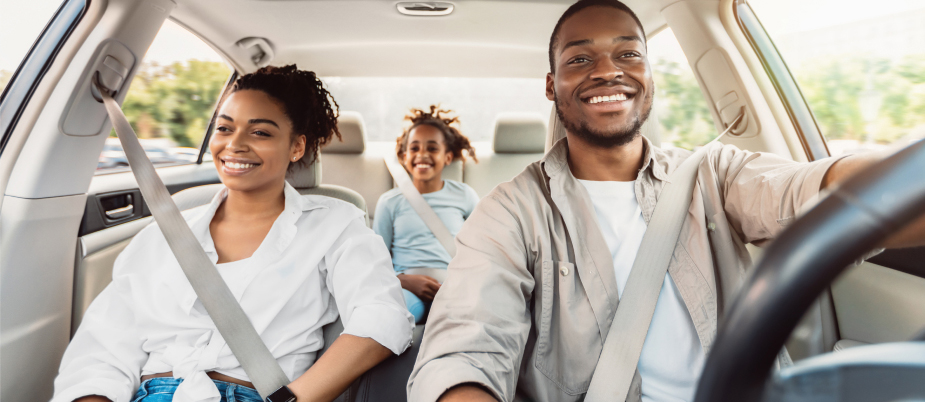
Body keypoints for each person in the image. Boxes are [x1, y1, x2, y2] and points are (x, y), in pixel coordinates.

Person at [406, 1, 925, 402]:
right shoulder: (510, 208)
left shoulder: (714, 173)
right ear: (551, 85)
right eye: (580, 58)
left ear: (650, 76)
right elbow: (466, 345)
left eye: (628, 53)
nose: (608, 70)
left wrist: (900, 180)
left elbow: (813, 190)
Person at [53, 65, 414, 402]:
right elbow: (101, 349)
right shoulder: (164, 231)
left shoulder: (335, 224)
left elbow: (382, 317)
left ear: (296, 146)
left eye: (260, 132)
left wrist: (293, 399)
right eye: (225, 128)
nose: (234, 144)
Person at [373, 106, 480, 323]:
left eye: (432, 148)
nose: (422, 154)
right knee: (395, 317)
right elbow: (375, 263)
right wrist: (403, 281)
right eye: (414, 148)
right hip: (405, 287)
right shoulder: (390, 202)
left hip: (454, 287)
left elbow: (482, 252)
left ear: (447, 157)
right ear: (404, 157)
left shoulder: (465, 196)